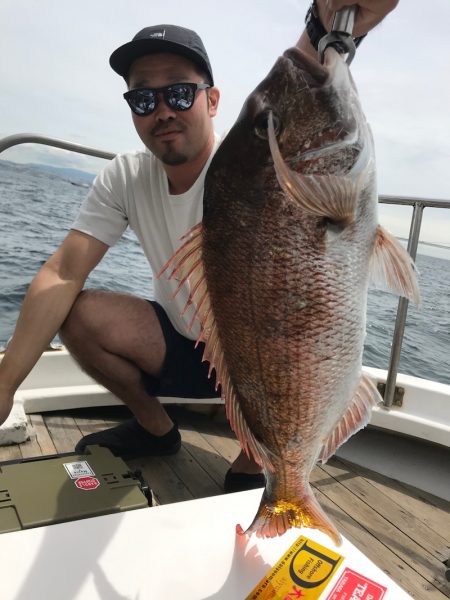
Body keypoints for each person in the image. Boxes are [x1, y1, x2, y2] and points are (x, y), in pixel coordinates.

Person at [0, 0, 398, 492]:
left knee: (283, 385)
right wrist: (5, 384)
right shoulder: (125, 176)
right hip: (180, 345)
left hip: (256, 359)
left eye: (180, 92)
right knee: (77, 312)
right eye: (143, 99)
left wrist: (329, 26)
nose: (162, 109)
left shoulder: (253, 168)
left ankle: (262, 467)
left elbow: (289, 103)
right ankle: (157, 431)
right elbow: (62, 272)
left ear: (212, 101)